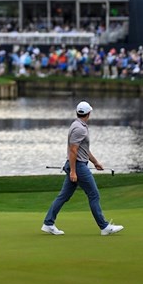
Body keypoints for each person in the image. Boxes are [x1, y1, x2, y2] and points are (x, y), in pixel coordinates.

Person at [41, 101, 124, 236]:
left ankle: (48, 223)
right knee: (93, 194)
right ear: (89, 113)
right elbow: (73, 151)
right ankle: (104, 227)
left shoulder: (77, 125)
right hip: (78, 166)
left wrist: (95, 162)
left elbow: (83, 150)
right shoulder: (80, 128)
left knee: (63, 196)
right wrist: (73, 171)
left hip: (77, 164)